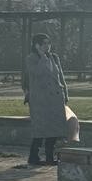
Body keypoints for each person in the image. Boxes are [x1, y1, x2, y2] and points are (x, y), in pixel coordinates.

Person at [23, 33, 77, 166]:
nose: (47, 46)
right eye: (44, 43)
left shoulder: (54, 57)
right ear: (37, 45)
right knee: (40, 129)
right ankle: (33, 156)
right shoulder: (31, 58)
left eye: (48, 43)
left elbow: (60, 77)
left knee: (54, 128)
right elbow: (37, 73)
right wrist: (42, 57)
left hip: (55, 98)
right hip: (40, 100)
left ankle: (49, 156)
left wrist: (65, 94)